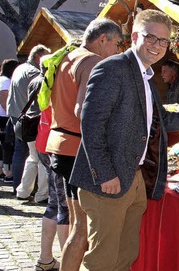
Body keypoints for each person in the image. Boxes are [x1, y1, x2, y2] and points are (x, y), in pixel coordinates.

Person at [69, 9, 179, 271]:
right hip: (107, 182)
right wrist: (106, 174)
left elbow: (163, 121)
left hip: (133, 178)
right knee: (102, 261)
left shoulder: (146, 76)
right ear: (134, 36)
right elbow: (91, 124)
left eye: (163, 41)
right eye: (151, 38)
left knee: (126, 255)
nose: (157, 46)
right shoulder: (112, 68)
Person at [46, 17, 123, 271]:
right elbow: (83, 110)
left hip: (61, 144)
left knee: (76, 224)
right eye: (117, 44)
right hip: (77, 149)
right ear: (103, 40)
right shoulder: (93, 62)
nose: (118, 51)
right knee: (82, 227)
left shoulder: (70, 56)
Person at [30, 56, 69, 270]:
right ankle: (67, 263)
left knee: (54, 203)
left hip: (44, 143)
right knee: (64, 207)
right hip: (57, 147)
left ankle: (45, 259)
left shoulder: (46, 79)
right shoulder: (63, 82)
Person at [9, 44, 51, 201]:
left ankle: (23, 191)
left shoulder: (22, 71)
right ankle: (41, 195)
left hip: (28, 120)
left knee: (33, 158)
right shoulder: (41, 79)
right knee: (42, 160)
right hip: (39, 123)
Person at [0, 59, 20, 183]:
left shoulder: (0, 79)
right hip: (2, 117)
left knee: (0, 145)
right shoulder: (6, 81)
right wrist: (10, 113)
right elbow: (2, 97)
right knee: (7, 145)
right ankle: (8, 173)